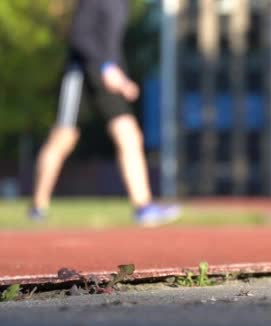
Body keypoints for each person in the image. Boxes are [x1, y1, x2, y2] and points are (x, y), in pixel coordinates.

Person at [29, 0, 180, 226]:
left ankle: (143, 206)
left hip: (109, 80)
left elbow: (111, 46)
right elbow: (79, 36)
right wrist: (105, 67)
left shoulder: (122, 4)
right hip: (82, 75)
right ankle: (38, 207)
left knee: (129, 135)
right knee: (63, 139)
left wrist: (121, 77)